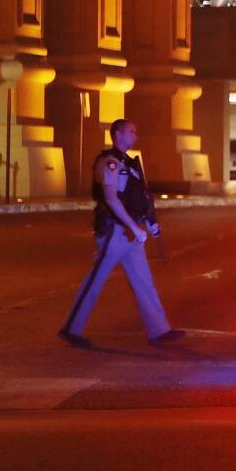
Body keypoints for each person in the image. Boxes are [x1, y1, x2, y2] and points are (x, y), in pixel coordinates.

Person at [58, 119, 185, 348]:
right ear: (118, 134)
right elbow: (111, 199)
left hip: (131, 232)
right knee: (95, 281)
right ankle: (70, 328)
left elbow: (139, 198)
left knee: (144, 282)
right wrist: (135, 228)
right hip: (114, 231)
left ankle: (159, 330)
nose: (135, 136)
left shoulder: (130, 163)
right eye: (131, 132)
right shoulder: (110, 162)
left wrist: (149, 222)